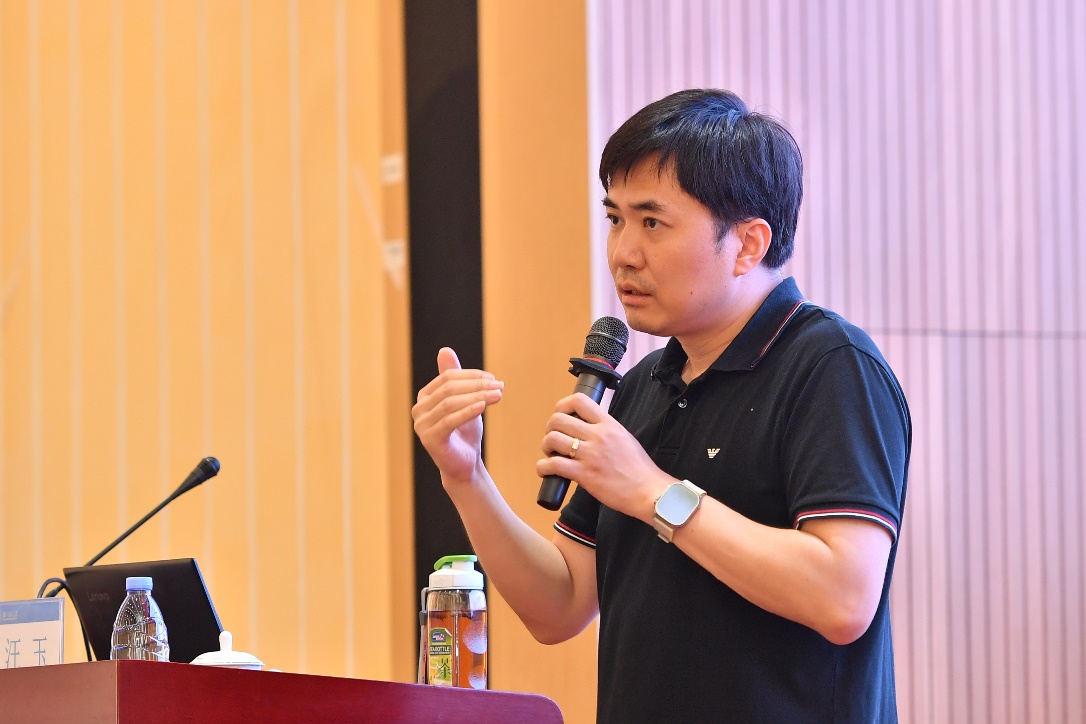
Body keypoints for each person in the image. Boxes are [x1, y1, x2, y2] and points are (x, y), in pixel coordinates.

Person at [412, 89, 911, 722]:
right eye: (615, 219)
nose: (623, 252)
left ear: (748, 244)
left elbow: (843, 597)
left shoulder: (831, 365)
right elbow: (560, 607)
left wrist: (654, 493)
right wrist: (466, 477)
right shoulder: (645, 382)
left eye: (652, 222)